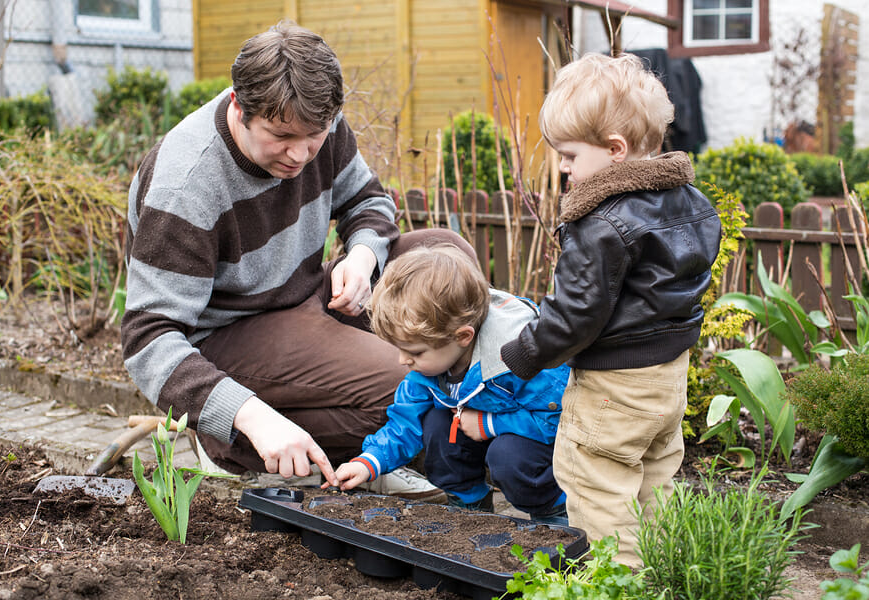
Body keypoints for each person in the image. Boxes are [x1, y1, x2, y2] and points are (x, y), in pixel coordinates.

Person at [121, 20, 475, 500]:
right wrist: (251, 416)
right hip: (231, 335)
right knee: (404, 381)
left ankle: (473, 414)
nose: (301, 154)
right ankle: (235, 443)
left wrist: (364, 257)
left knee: (444, 255)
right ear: (238, 106)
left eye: (315, 135)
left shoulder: (316, 121)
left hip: (307, 294)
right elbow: (149, 340)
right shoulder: (185, 187)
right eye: (281, 136)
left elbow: (367, 200)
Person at [499, 53, 722, 565]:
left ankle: (617, 583)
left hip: (614, 385)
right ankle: (664, 573)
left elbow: (577, 314)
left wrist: (524, 353)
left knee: (597, 484)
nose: (563, 166)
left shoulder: (600, 222)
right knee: (654, 481)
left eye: (571, 155)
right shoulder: (692, 200)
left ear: (615, 150)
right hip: (668, 377)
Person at [325, 244, 572, 524]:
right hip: (479, 425)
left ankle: (552, 511)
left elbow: (558, 419)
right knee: (437, 426)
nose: (402, 360)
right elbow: (404, 424)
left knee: (509, 459)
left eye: (415, 352)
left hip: (535, 442)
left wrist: (489, 424)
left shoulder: (520, 358)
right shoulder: (428, 370)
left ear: (463, 337)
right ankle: (469, 506)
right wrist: (369, 462)